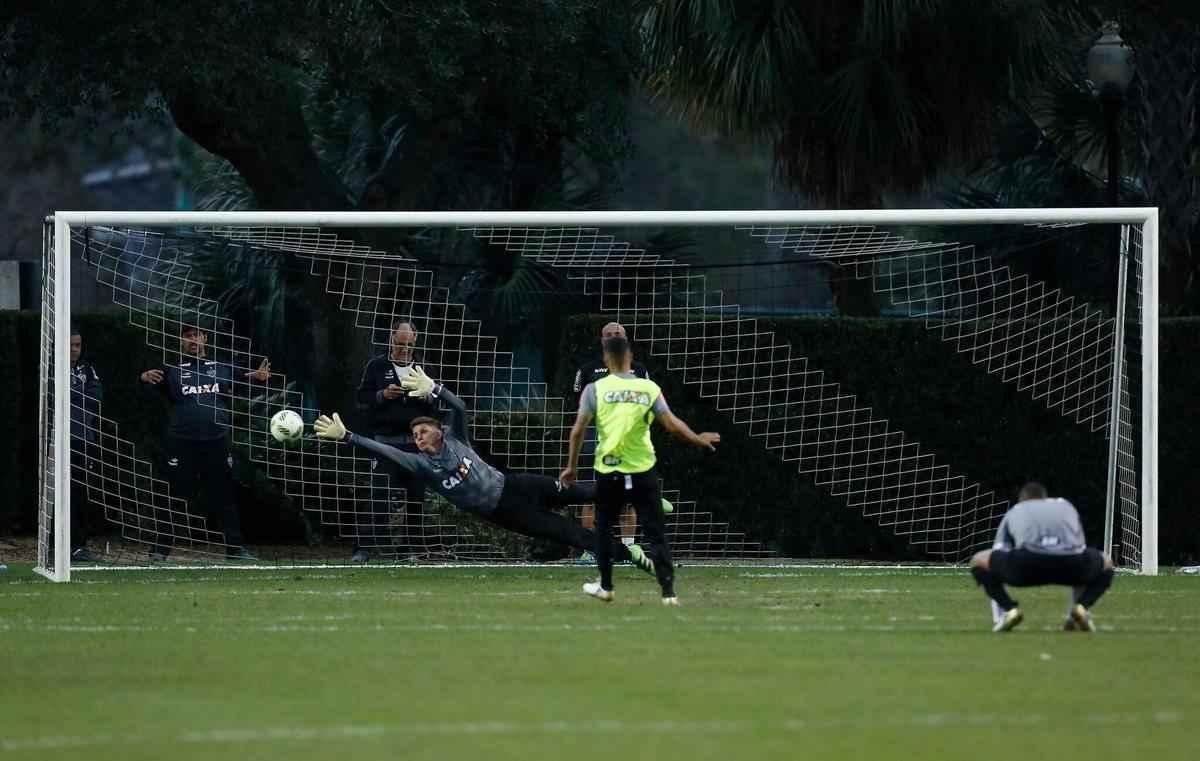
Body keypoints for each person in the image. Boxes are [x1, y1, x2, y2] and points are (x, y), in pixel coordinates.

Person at [314, 368, 656, 574]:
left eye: (422, 432)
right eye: (415, 436)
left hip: (517, 485)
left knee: (583, 491)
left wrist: (435, 389)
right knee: (570, 534)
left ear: (437, 430)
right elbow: (384, 449)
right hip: (504, 512)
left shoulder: (455, 436)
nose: (417, 438)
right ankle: (632, 558)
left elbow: (459, 407)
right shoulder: (421, 464)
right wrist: (348, 436)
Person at [562, 335, 720, 605]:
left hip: (609, 470)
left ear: (606, 360)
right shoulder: (648, 388)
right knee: (655, 530)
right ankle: (669, 593)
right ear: (630, 358)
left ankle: (607, 587)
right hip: (643, 470)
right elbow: (671, 425)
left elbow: (577, 431)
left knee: (602, 528)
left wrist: (571, 467)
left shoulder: (595, 389)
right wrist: (698, 438)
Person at [139, 323, 270, 561]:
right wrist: (142, 377)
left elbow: (245, 379)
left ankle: (235, 550)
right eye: (187, 336)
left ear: (205, 339)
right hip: (182, 442)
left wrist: (258, 377)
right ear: (181, 341)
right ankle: (159, 550)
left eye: (196, 335)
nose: (192, 340)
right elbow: (147, 384)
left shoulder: (221, 367)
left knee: (224, 495)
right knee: (175, 496)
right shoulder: (171, 370)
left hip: (216, 441)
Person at [969, 482, 1115, 632]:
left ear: (1023, 499)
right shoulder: (1065, 505)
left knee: (979, 560)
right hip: (1071, 567)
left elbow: (999, 549)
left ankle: (1008, 611)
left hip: (1027, 567)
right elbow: (1079, 546)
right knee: (1106, 561)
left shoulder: (1017, 509)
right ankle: (1080, 609)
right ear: (1044, 497)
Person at [352, 319, 441, 562]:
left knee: (415, 498)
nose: (404, 349)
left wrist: (427, 396)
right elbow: (361, 398)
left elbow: (439, 402)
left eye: (409, 345)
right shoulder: (377, 366)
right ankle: (364, 549)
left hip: (416, 446)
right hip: (385, 442)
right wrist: (383, 394)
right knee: (378, 495)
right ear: (392, 338)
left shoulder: (425, 368)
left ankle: (408, 550)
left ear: (415, 341)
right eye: (400, 344)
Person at [570, 322, 651, 561]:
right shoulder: (587, 370)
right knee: (590, 496)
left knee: (628, 499)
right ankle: (589, 550)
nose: (614, 337)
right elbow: (579, 406)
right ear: (602, 340)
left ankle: (629, 551)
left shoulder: (639, 369)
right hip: (595, 440)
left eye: (618, 334)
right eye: (609, 334)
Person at [69, 328, 103, 562]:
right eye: (70, 345)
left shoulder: (87, 370)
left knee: (80, 492)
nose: (74, 350)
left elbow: (94, 397)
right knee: (57, 491)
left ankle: (79, 545)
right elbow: (51, 395)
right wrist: (76, 395)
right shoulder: (50, 368)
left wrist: (72, 395)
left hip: (82, 438)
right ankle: (53, 544)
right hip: (55, 438)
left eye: (77, 345)